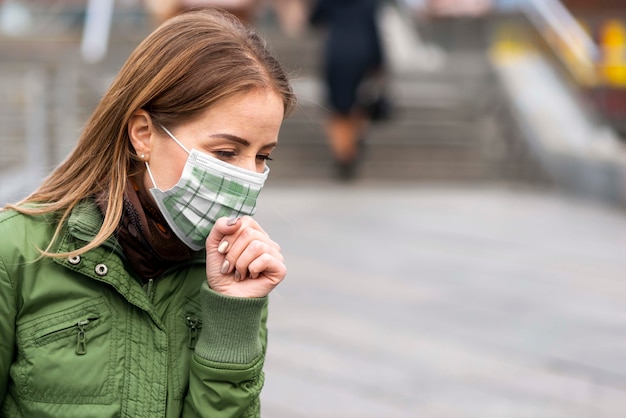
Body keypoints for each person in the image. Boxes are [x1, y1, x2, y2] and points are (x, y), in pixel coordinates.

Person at [0, 8, 296, 418]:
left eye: (263, 156)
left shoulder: (236, 273)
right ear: (143, 134)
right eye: (225, 152)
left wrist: (233, 314)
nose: (247, 176)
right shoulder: (16, 249)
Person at [309, 0, 387, 180]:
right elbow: (374, 28)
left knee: (337, 106)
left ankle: (343, 151)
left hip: (336, 51)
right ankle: (353, 141)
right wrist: (379, 61)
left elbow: (314, 20)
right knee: (359, 102)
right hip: (363, 50)